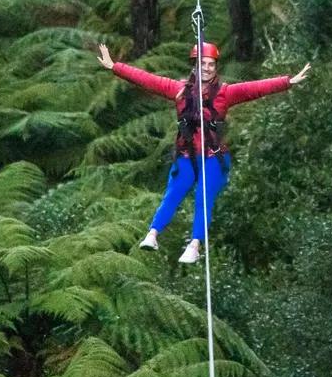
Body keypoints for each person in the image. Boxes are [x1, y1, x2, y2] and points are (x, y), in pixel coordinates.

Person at [96, 39, 310, 263]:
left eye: (211, 64)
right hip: (187, 155)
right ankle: (152, 234)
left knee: (203, 198)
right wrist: (115, 67)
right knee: (174, 192)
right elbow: (148, 80)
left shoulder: (225, 93)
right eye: (203, 63)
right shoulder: (179, 90)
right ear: (195, 65)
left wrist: (288, 81)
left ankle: (195, 245)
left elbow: (254, 89)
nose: (207, 68)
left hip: (213, 157)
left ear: (215, 67)